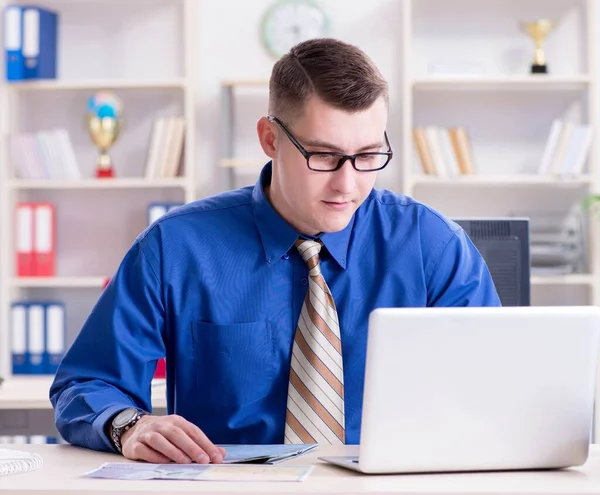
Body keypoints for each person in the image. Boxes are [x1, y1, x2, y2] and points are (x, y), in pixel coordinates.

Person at [50, 37, 501, 466]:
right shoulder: (176, 247)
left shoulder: (433, 246)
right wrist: (130, 425)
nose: (348, 184)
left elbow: (494, 386)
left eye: (368, 155)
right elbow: (88, 381)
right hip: (231, 485)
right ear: (270, 138)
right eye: (324, 156)